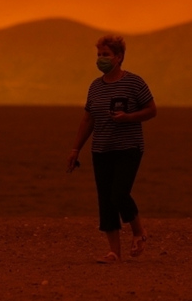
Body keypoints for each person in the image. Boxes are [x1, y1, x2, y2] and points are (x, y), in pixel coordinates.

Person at [67, 35, 157, 263]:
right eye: (98, 55)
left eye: (105, 55)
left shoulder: (134, 82)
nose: (101, 59)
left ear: (118, 57)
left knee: (119, 194)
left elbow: (151, 110)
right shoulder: (95, 87)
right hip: (101, 149)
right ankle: (114, 252)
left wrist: (128, 118)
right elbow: (88, 119)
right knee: (106, 200)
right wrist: (76, 149)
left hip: (128, 147)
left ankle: (139, 232)